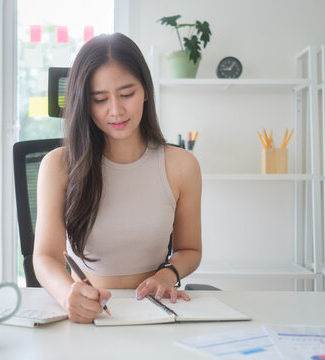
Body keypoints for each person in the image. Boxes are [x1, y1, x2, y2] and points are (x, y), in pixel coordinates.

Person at [32, 33, 202, 324]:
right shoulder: (58, 165)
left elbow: (190, 250)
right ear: (84, 103)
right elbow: (45, 256)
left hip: (154, 311)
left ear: (146, 91)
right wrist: (67, 296)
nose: (116, 110)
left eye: (127, 94)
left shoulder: (182, 165)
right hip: (89, 313)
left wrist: (167, 274)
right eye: (100, 99)